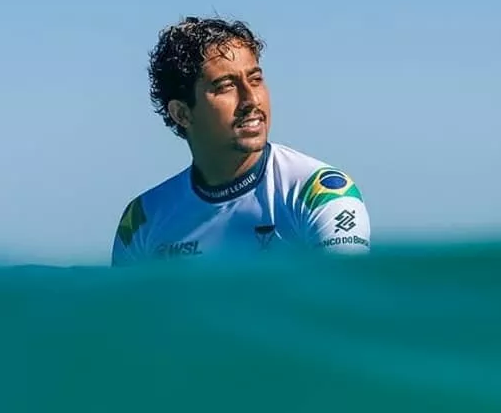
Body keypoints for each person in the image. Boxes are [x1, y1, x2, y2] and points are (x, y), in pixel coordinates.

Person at [111, 16, 371, 265]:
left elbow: (345, 301)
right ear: (182, 113)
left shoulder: (319, 194)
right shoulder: (141, 221)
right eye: (226, 86)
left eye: (255, 80)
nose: (251, 100)